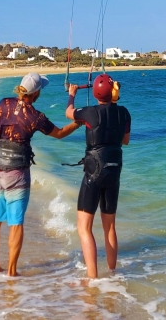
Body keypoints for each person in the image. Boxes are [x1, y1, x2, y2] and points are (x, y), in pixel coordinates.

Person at [0, 72, 81, 276]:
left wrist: (0, 149)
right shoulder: (35, 116)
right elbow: (61, 133)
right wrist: (78, 123)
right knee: (16, 222)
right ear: (36, 93)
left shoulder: (2, 104)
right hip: (17, 173)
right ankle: (12, 271)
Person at [65, 74, 131, 276]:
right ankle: (112, 273)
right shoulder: (124, 113)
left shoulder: (90, 113)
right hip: (114, 170)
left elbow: (68, 113)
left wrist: (71, 95)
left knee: (84, 228)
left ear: (95, 93)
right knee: (109, 227)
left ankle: (93, 278)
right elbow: (125, 141)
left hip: (94, 171)